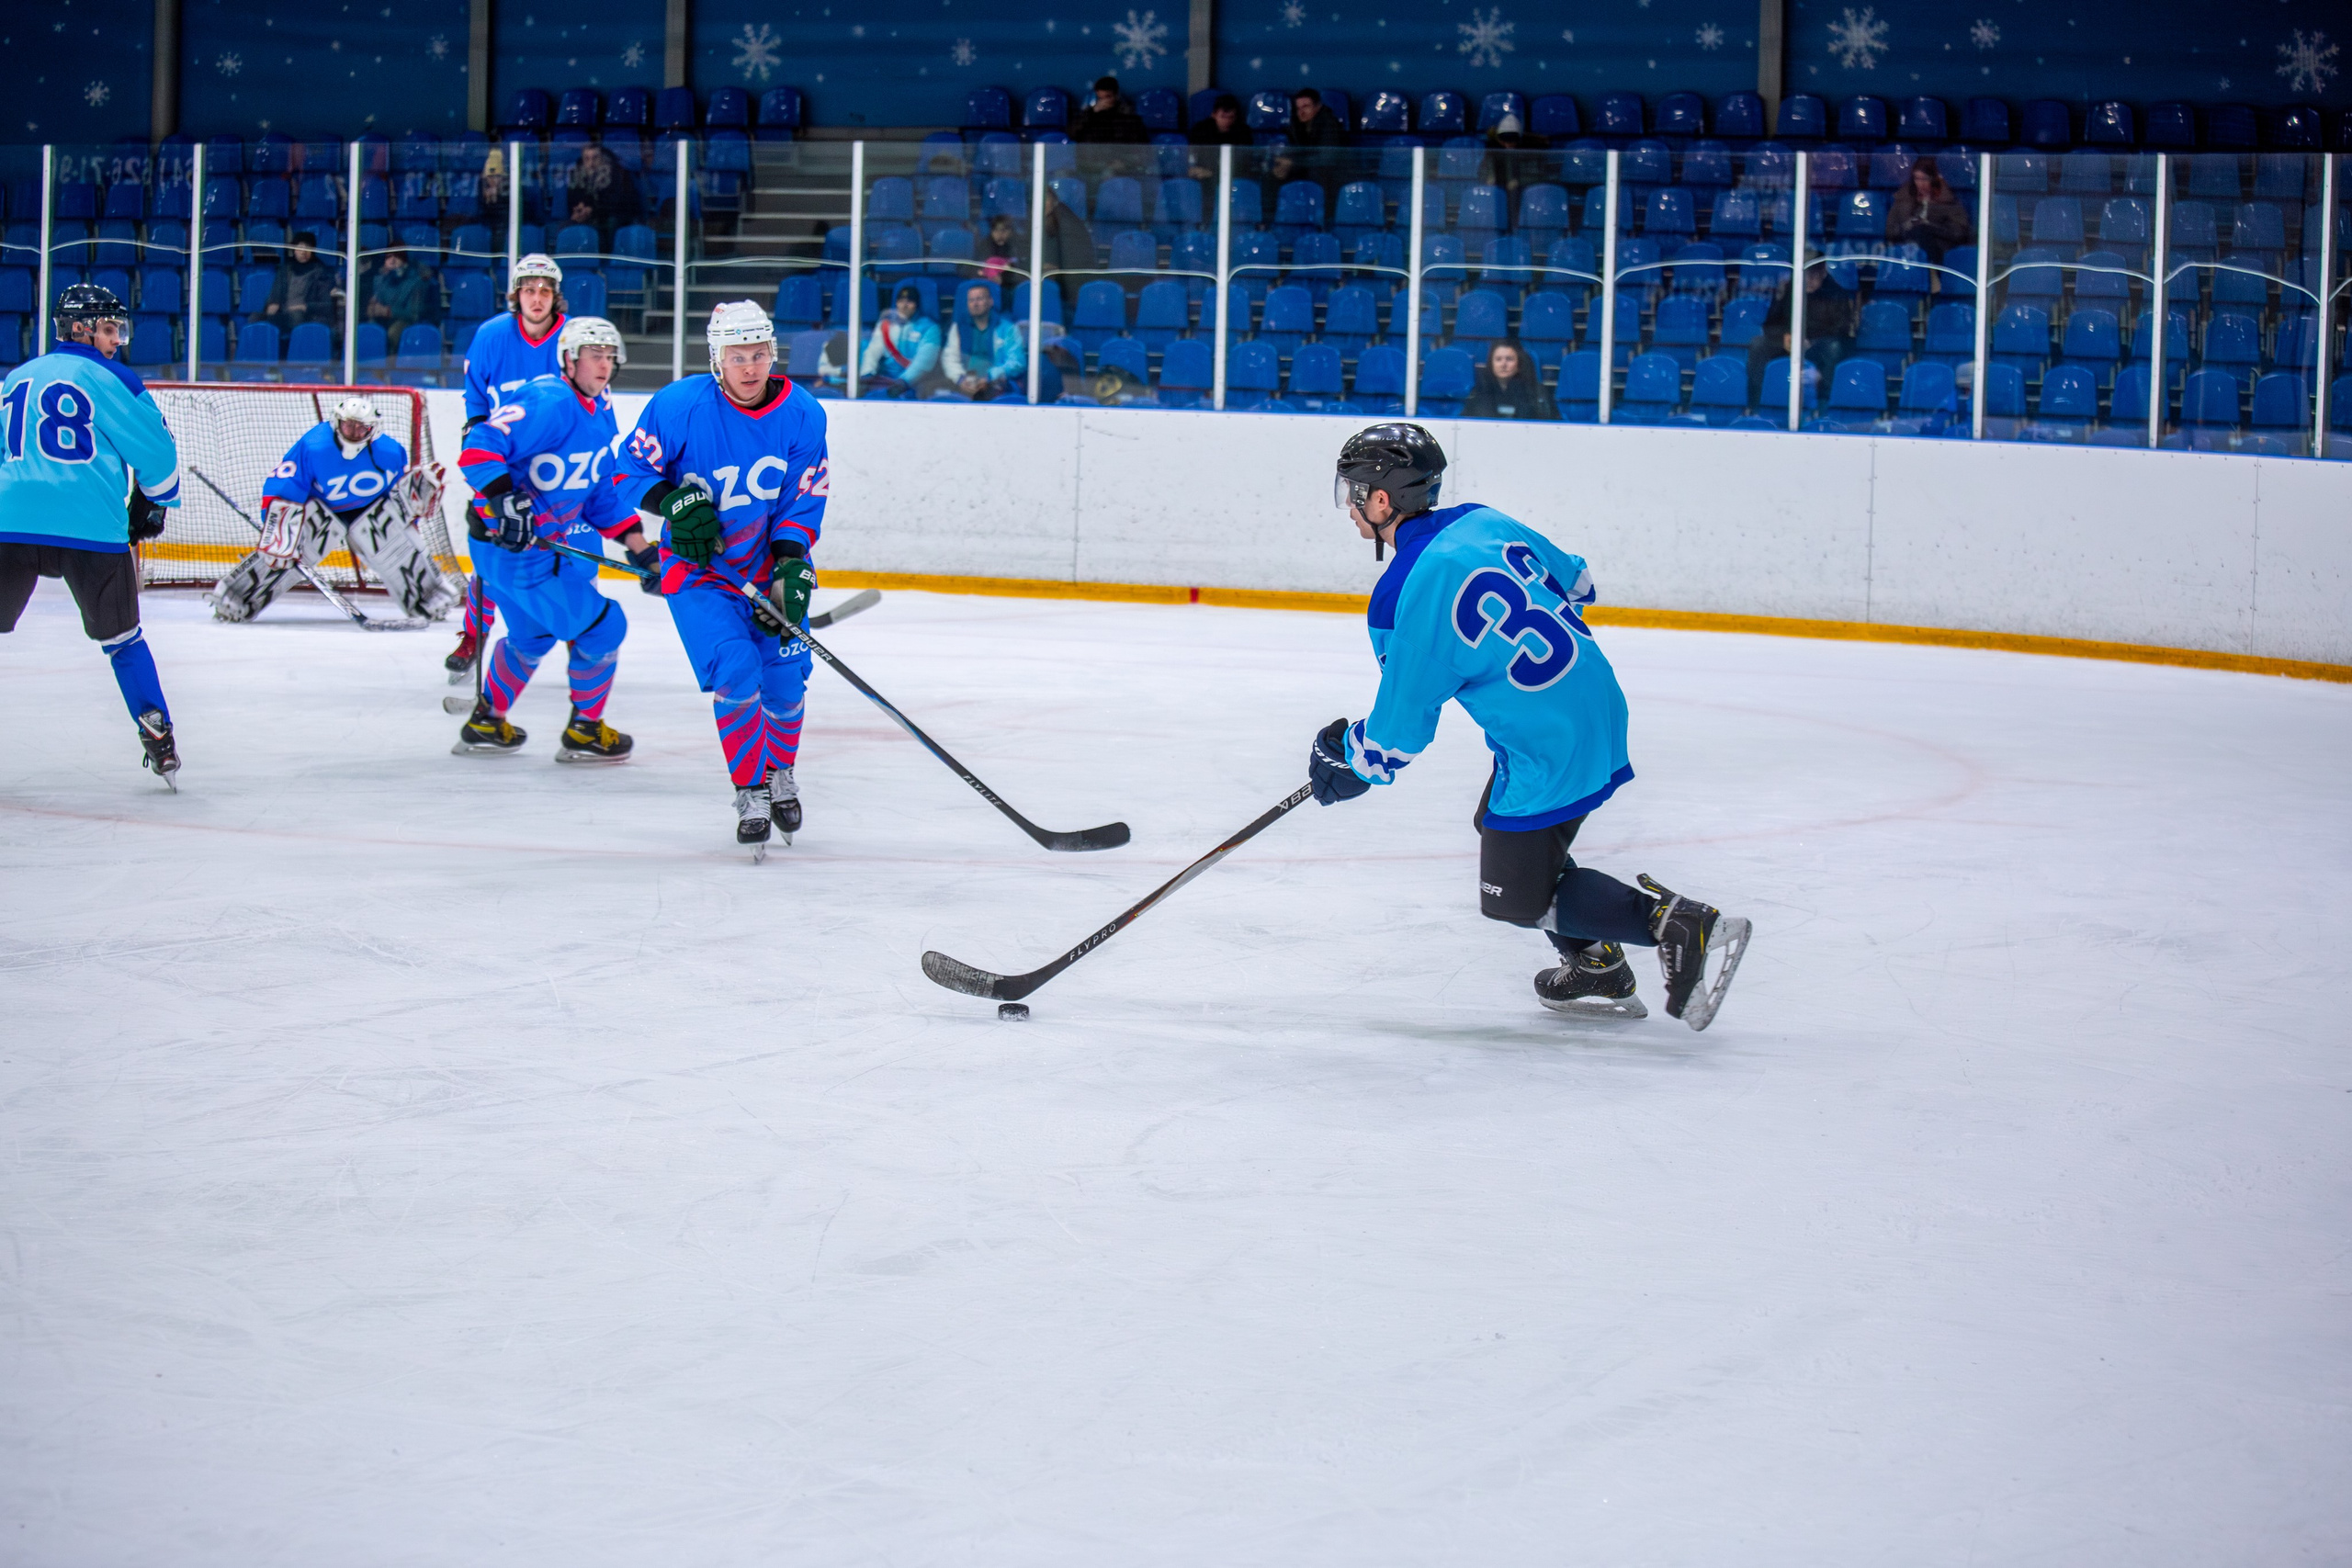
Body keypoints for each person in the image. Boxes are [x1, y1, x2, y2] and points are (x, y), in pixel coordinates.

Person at [1306, 423, 1751, 1029]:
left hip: (1550, 744)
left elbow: (1396, 738)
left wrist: (1347, 758)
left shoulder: (1400, 594)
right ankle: (1596, 964)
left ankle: (1673, 923)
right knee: (1498, 827)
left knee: (1514, 898)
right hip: (1597, 704)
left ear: (1383, 500)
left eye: (1355, 491)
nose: (1351, 506)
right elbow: (1579, 582)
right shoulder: (1482, 519)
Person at [609, 299, 830, 855]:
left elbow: (801, 501)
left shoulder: (804, 414)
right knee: (736, 670)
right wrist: (674, 503)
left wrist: (789, 564)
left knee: (784, 681)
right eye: (738, 356)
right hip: (701, 575)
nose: (751, 367)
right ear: (717, 358)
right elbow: (627, 472)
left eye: (759, 354)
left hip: (764, 566)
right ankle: (750, 788)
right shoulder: (679, 406)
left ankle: (780, 773)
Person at [0, 284, 185, 787]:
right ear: (81, 329)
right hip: (89, 526)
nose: (116, 340)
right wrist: (153, 502)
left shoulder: (16, 377)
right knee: (123, 640)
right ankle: (158, 734)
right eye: (108, 328)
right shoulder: (112, 377)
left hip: (9, 523)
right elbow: (160, 457)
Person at [450, 316, 650, 763]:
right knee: (605, 626)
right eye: (593, 354)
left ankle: (486, 723)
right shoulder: (549, 399)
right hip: (516, 551)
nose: (603, 363)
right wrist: (505, 500)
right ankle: (585, 731)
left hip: (509, 553)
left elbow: (597, 492)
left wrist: (641, 548)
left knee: (532, 636)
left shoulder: (598, 410)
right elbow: (479, 446)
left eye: (609, 355)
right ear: (569, 359)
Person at [207, 397, 460, 624]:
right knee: (284, 550)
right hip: (321, 512)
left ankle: (428, 594)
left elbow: (394, 497)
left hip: (368, 512)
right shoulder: (315, 445)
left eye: (362, 427)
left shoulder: (391, 453)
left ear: (373, 429)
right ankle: (236, 596)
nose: (354, 432)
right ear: (336, 421)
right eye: (349, 425)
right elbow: (286, 483)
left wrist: (408, 513)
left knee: (390, 536)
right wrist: (278, 529)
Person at [447, 254, 571, 681]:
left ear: (556, 298)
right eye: (528, 290)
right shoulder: (491, 335)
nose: (537, 298)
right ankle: (474, 633)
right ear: (516, 294)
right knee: (488, 554)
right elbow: (477, 400)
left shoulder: (572, 339)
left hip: (557, 471)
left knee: (574, 558)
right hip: (502, 469)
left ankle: (579, 633)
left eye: (545, 291)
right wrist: (478, 445)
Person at [1747, 265, 1858, 408]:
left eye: (1814, 276)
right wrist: (1785, 336)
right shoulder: (1788, 290)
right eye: (1806, 276)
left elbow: (1841, 329)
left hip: (1819, 347)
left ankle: (1826, 404)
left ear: (1823, 274)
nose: (1809, 281)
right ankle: (1757, 404)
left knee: (1834, 347)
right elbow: (1770, 324)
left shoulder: (1835, 293)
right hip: (1789, 344)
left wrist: (1811, 340)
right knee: (1758, 344)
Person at [937, 281, 1026, 400]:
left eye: (979, 299)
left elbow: (1018, 362)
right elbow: (949, 359)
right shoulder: (958, 327)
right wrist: (960, 379)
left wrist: (990, 377)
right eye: (971, 300)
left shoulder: (1007, 328)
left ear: (990, 302)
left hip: (997, 384)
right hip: (965, 384)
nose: (975, 304)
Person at [1885, 155, 1973, 265]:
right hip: (1907, 251)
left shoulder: (1948, 201)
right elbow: (1891, 231)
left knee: (1923, 231)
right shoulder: (1903, 200)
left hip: (1940, 253)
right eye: (1917, 178)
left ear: (1934, 180)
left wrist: (1932, 228)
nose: (1920, 183)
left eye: (1924, 179)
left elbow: (1960, 232)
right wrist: (1909, 226)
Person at [859, 283, 942, 398]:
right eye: (901, 301)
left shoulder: (930, 328)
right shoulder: (886, 324)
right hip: (886, 382)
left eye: (909, 301)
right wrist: (867, 374)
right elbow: (873, 351)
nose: (904, 305)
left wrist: (904, 382)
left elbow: (924, 362)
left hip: (915, 385)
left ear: (917, 304)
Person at [257, 231, 343, 337]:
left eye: (308, 247)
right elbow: (275, 294)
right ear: (294, 249)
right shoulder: (286, 269)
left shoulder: (321, 272)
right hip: (284, 314)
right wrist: (272, 303)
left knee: (296, 316)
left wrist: (304, 307)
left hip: (308, 317)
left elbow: (326, 305)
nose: (303, 252)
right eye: (300, 247)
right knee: (255, 318)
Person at [566, 145, 643, 247]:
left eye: (595, 158)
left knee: (610, 224)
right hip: (586, 215)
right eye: (587, 158)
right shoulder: (577, 173)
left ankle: (608, 258)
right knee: (565, 226)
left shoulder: (615, 173)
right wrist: (578, 209)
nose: (591, 163)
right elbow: (573, 197)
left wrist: (591, 210)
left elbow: (615, 202)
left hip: (610, 216)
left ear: (602, 158)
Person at [1036, 184, 1097, 313]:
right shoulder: (1046, 219)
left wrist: (1049, 268)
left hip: (1073, 289)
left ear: (1054, 200)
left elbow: (1069, 264)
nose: (1041, 204)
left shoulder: (1067, 224)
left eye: (1045, 199)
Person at [1461, 340, 1557, 421]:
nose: (1503, 364)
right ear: (1491, 364)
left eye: (1509, 359)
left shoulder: (1536, 391)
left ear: (1519, 364)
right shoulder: (1479, 390)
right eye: (1498, 359)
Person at [362, 246, 436, 347]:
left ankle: (392, 361)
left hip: (407, 321)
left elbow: (414, 314)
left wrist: (389, 311)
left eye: (397, 257)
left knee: (393, 333)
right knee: (368, 330)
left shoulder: (416, 282)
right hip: (384, 320)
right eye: (389, 257)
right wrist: (373, 308)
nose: (392, 261)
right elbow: (376, 301)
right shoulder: (382, 280)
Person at [1070, 75, 1148, 144]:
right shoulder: (1090, 113)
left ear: (1116, 95)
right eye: (1100, 98)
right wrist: (1092, 112)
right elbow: (1072, 133)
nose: (1103, 102)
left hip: (1120, 156)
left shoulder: (1127, 113)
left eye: (1107, 97)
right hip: (1095, 155)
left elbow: (1138, 139)